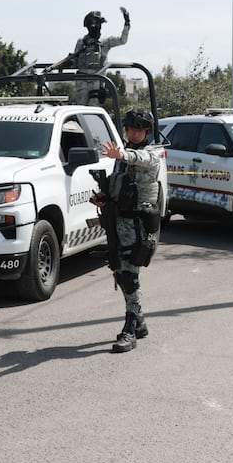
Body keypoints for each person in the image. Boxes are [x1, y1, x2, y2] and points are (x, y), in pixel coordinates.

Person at [93, 109, 161, 353]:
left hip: (139, 226)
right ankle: (139, 321)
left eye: (139, 129)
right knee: (120, 272)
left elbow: (139, 159)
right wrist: (104, 196)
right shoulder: (120, 158)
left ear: (147, 132)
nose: (134, 133)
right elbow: (117, 183)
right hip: (118, 223)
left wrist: (122, 153)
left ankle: (130, 327)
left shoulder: (152, 153)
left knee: (130, 275)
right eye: (131, 129)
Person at [69, 7, 130, 104]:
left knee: (94, 109)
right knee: (81, 109)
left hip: (98, 80)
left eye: (97, 25)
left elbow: (123, 40)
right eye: (92, 25)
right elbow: (75, 60)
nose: (95, 28)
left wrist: (127, 23)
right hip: (82, 80)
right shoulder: (81, 42)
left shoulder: (106, 41)